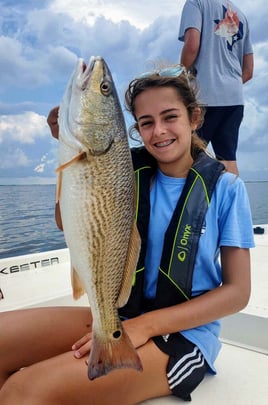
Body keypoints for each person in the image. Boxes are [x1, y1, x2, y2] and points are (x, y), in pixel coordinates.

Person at [0, 65, 255, 404]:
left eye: (170, 117)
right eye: (146, 122)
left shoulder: (226, 189)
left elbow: (238, 293)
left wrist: (145, 326)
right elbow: (66, 221)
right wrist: (70, 152)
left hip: (181, 338)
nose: (159, 131)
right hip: (116, 315)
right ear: (136, 129)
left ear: (194, 118)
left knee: (23, 391)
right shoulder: (124, 170)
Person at [178, 0, 254, 175]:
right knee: (227, 157)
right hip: (234, 99)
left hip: (202, 97)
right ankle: (234, 201)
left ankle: (189, 202)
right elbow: (249, 71)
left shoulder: (196, 3)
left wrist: (180, 79)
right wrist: (228, 85)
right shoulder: (241, 15)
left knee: (188, 156)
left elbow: (191, 46)